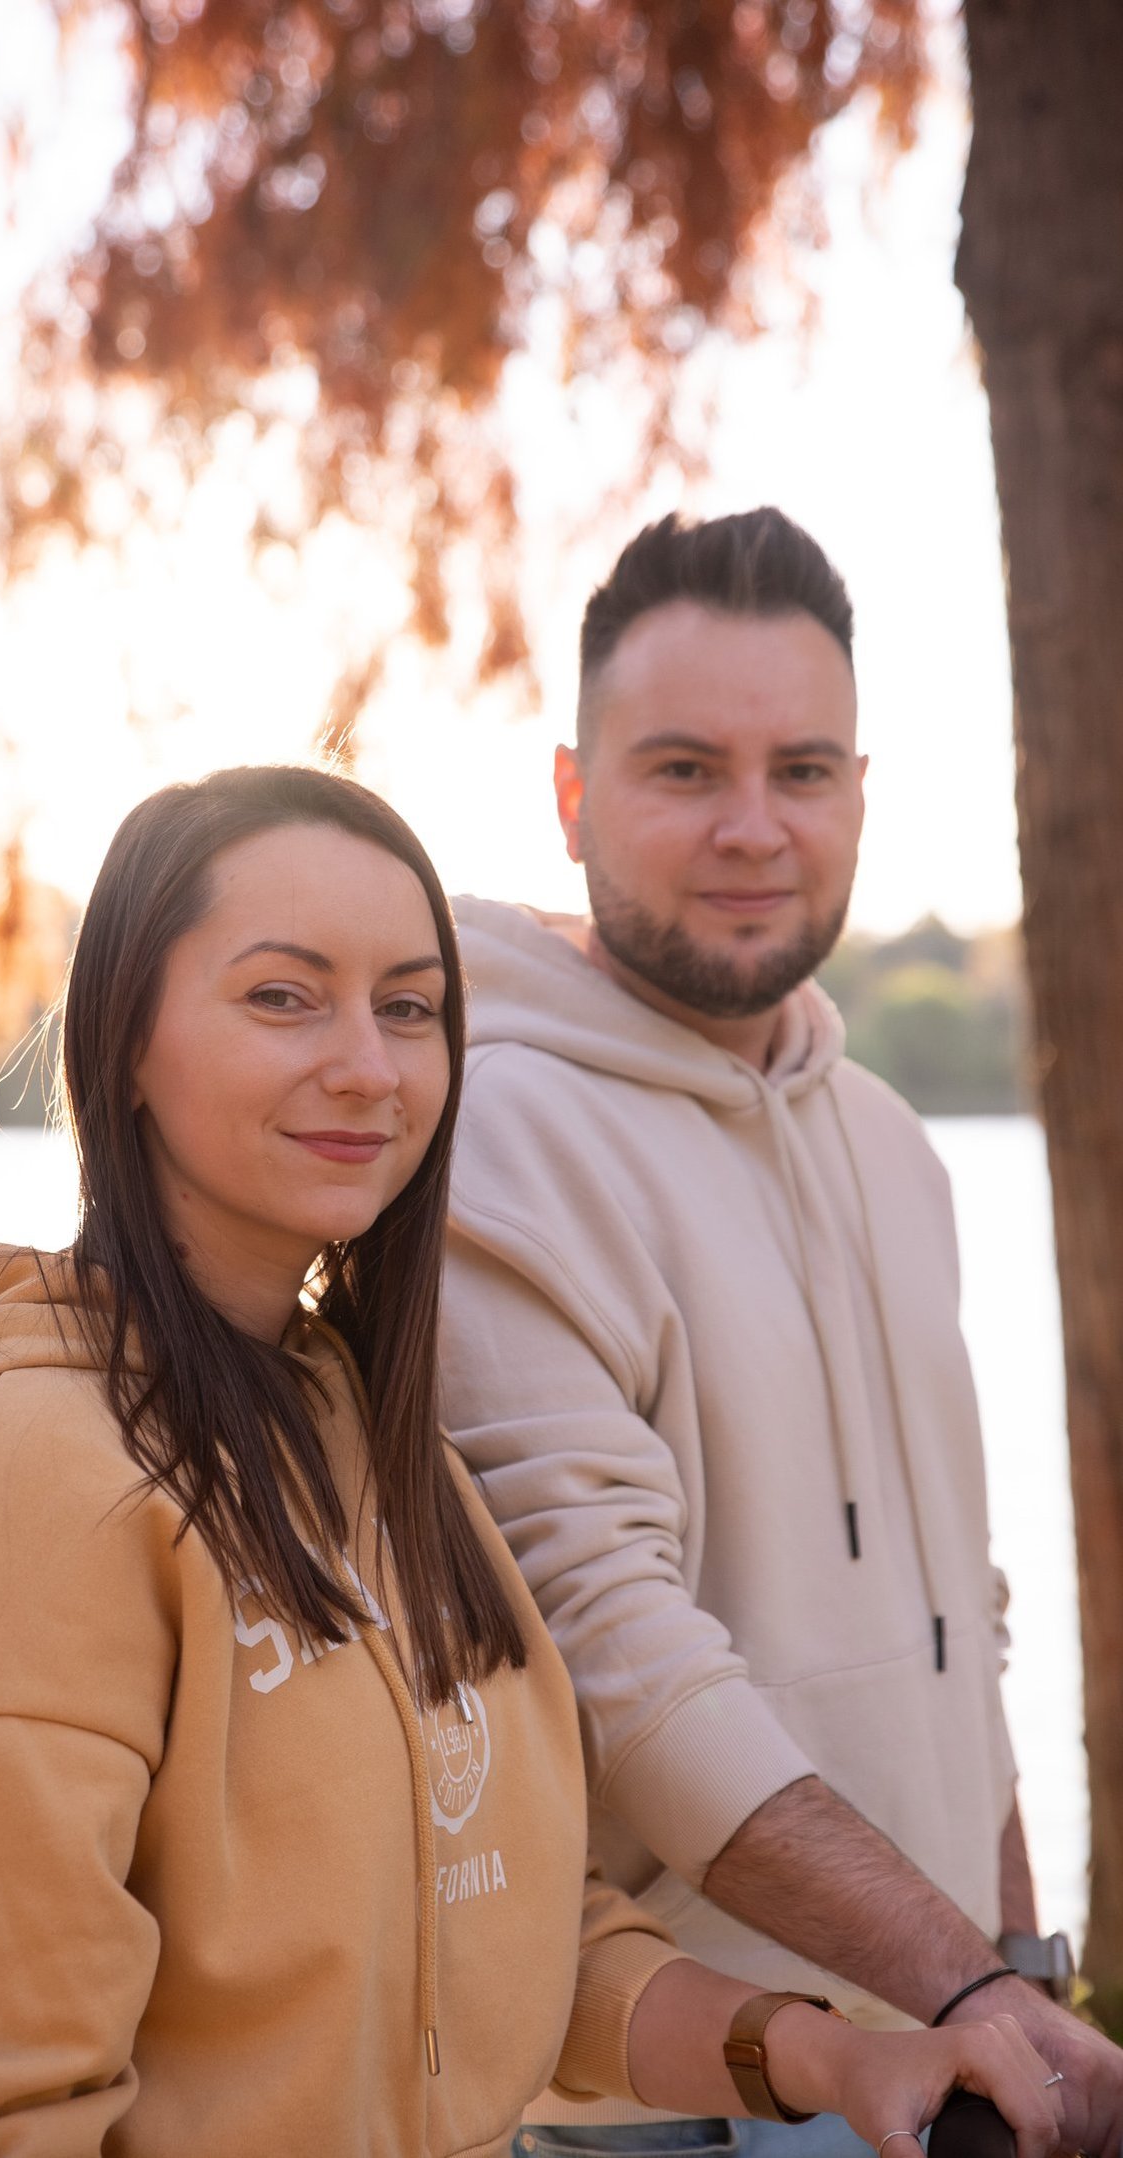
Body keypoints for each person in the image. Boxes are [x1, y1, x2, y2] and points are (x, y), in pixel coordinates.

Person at [0, 765, 1064, 2158]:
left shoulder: (364, 1433)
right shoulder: (26, 1470)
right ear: (125, 1037)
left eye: (411, 1007)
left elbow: (497, 1932)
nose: (369, 1065)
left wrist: (831, 2053)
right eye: (282, 996)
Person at [439, 510, 1123, 2158]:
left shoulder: (890, 1133)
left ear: (863, 796)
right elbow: (622, 1669)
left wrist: (1021, 1970)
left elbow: (968, 1612)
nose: (755, 826)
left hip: (958, 2061)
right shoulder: (490, 1135)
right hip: (694, 2099)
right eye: (685, 769)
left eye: (802, 770)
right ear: (572, 793)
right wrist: (965, 1985)